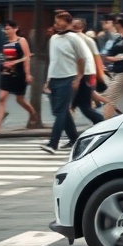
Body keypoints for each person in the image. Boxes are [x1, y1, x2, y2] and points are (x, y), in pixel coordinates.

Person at [41, 11, 86, 154]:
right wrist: (47, 80)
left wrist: (79, 77)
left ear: (67, 22)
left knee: (60, 111)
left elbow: (82, 58)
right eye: (56, 20)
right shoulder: (53, 38)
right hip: (54, 78)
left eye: (59, 21)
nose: (56, 23)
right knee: (59, 111)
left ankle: (52, 144)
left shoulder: (74, 38)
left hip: (68, 78)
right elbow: (53, 61)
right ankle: (75, 139)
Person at [0, 20, 38, 134]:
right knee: (2, 98)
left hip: (19, 73)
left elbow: (27, 57)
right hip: (7, 73)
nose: (6, 31)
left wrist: (27, 74)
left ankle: (33, 113)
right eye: (5, 29)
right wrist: (4, 63)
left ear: (15, 29)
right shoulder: (5, 43)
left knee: (20, 99)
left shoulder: (21, 40)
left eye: (8, 28)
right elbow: (6, 57)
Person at [69, 18, 104, 126]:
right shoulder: (70, 38)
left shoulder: (88, 40)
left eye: (78, 24)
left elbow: (97, 59)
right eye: (73, 24)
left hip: (86, 74)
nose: (75, 26)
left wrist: (100, 77)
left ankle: (101, 120)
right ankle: (99, 121)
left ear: (83, 27)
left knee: (74, 105)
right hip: (76, 73)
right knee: (81, 105)